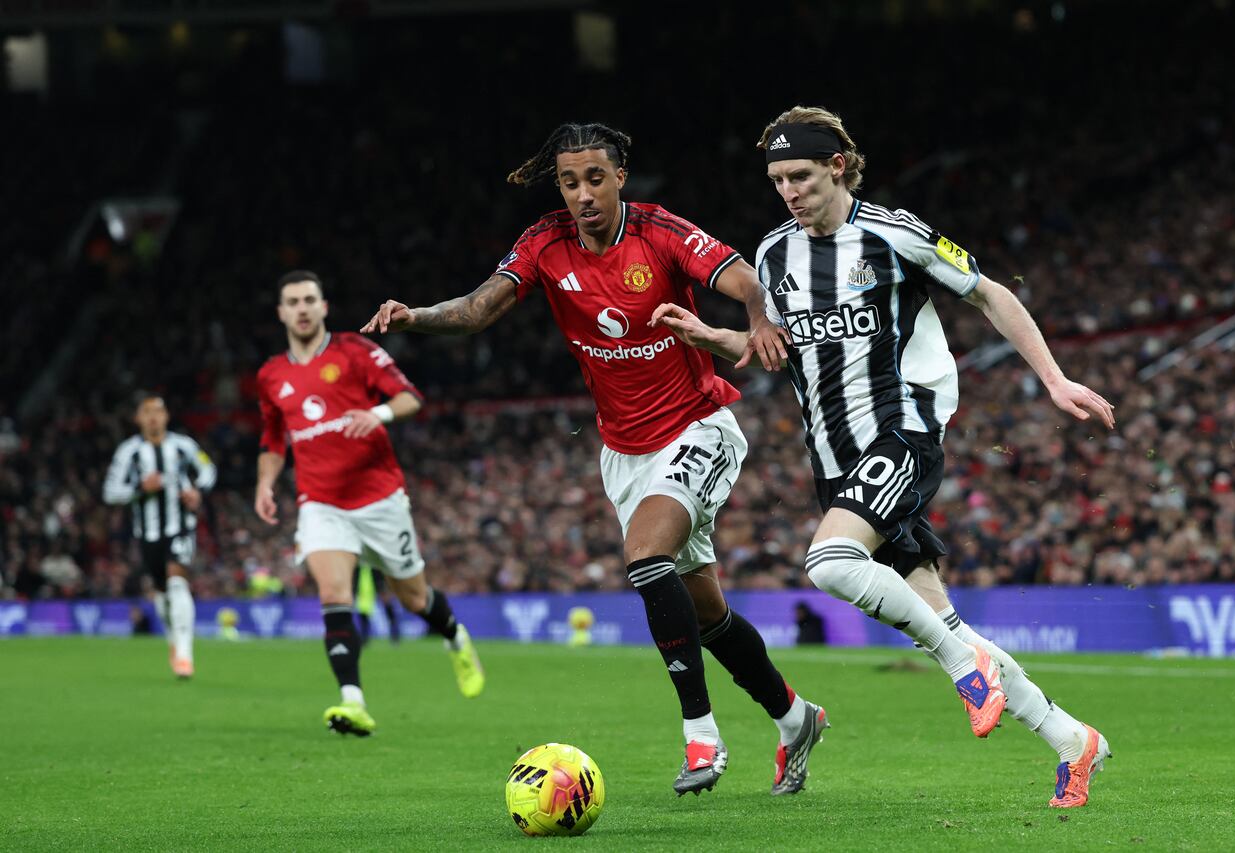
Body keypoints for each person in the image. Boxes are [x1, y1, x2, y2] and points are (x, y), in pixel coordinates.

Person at [651, 105, 1115, 808]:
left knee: (830, 562)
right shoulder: (774, 254)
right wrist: (705, 335)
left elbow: (990, 295)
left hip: (902, 431)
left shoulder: (894, 233)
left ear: (837, 165)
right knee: (943, 622)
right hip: (834, 462)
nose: (789, 191)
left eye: (801, 175)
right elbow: (773, 351)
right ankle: (1071, 740)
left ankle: (968, 668)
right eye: (777, 179)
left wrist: (1054, 378)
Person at [362, 122, 827, 797]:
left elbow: (740, 276)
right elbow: (474, 310)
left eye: (595, 179)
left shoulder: (660, 231)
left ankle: (701, 733)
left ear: (620, 178)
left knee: (645, 557)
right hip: (625, 454)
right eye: (570, 181)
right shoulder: (545, 243)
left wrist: (758, 315)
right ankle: (794, 716)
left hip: (700, 426)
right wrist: (415, 318)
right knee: (705, 615)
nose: (583, 193)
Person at [255, 270, 484, 737]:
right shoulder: (271, 376)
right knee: (334, 594)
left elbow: (409, 398)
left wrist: (375, 413)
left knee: (414, 598)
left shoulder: (354, 351)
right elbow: (273, 439)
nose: (301, 308)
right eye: (292, 301)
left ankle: (455, 637)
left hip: (379, 498)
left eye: (309, 300)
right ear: (281, 312)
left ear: (323, 307)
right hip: (320, 502)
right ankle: (352, 701)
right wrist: (265, 485)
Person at [104, 394, 217, 679]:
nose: (153, 417)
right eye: (147, 412)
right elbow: (111, 492)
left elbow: (208, 469)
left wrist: (196, 491)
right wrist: (141, 488)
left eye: (158, 411)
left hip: (180, 525)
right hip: (148, 533)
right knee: (163, 594)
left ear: (166, 416)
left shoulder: (184, 446)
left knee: (178, 582)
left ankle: (184, 653)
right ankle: (172, 639)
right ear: (138, 418)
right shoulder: (128, 452)